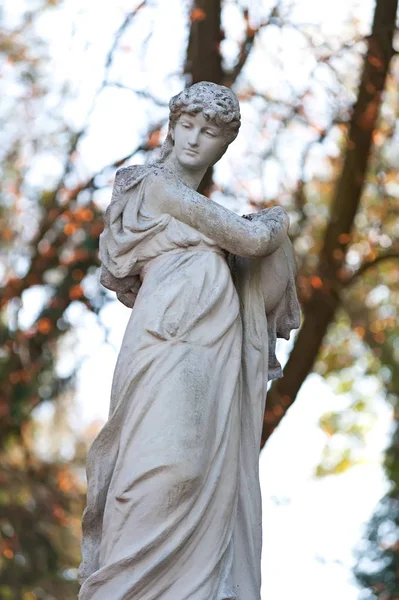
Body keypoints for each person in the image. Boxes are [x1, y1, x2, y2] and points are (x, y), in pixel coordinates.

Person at [78, 81, 300, 600]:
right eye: (187, 126)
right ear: (171, 127)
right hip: (167, 344)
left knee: (201, 470)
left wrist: (265, 237)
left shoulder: (204, 219)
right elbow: (249, 238)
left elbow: (258, 267)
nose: (195, 140)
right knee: (162, 465)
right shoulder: (151, 186)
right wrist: (276, 220)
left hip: (214, 352)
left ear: (224, 146)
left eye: (210, 133)